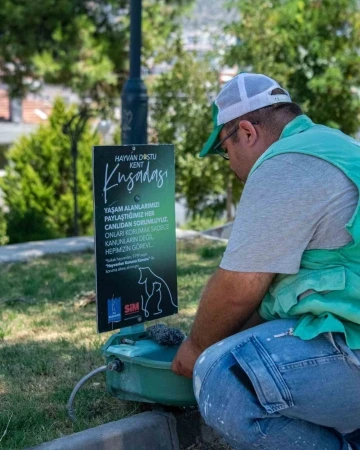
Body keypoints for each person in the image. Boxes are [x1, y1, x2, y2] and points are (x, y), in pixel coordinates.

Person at [171, 73, 360, 450]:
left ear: (246, 131)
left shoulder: (284, 164)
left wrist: (194, 350)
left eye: (225, 150)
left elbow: (239, 288)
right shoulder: (333, 144)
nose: (229, 164)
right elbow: (279, 293)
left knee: (222, 377)